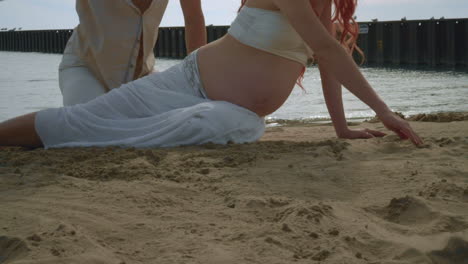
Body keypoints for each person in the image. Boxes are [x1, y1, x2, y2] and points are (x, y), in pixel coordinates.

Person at [0, 0, 423, 148]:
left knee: (235, 124)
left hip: (228, 109)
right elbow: (329, 48)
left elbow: (329, 60)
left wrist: (343, 128)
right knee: (82, 121)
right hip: (185, 82)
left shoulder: (324, 2)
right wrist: (384, 111)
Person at [59, 0, 207, 106]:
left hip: (143, 74)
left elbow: (193, 18)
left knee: (194, 111)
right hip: (86, 67)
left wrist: (197, 83)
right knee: (90, 122)